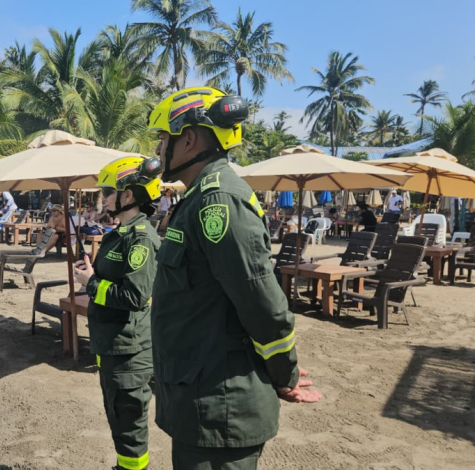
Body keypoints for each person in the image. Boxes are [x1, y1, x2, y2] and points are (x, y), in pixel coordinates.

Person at [146, 87, 321, 469]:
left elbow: (262, 304)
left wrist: (285, 373)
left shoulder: (218, 201)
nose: (159, 150)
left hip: (218, 407)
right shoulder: (198, 198)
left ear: (188, 139)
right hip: (199, 397)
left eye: (163, 139)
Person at [74, 156, 162, 470]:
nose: (103, 198)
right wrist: (92, 272)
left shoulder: (140, 239)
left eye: (108, 192)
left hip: (129, 352)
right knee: (120, 420)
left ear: (128, 195)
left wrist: (91, 282)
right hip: (113, 345)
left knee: (129, 428)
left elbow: (135, 295)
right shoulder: (119, 234)